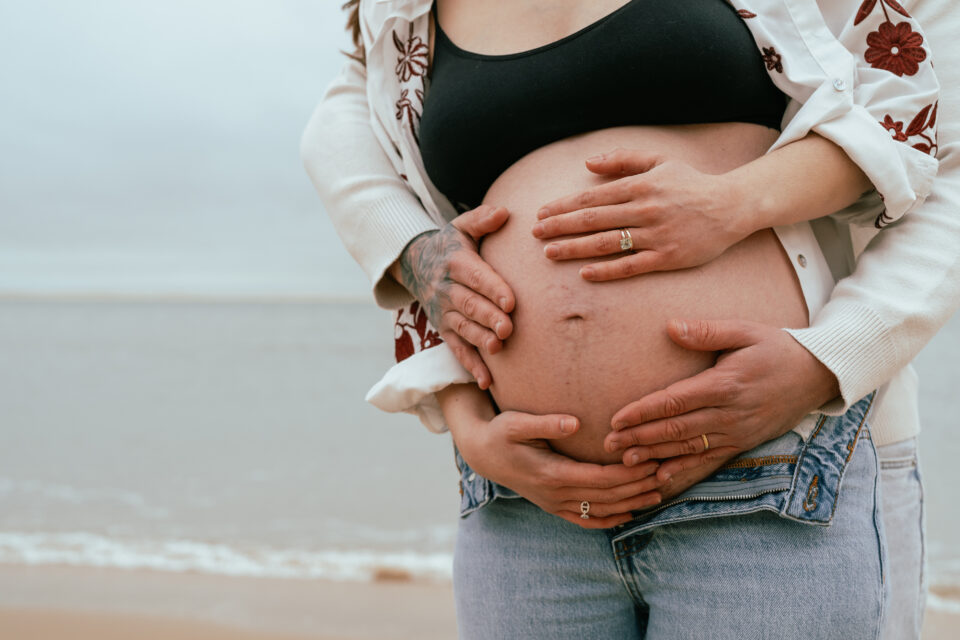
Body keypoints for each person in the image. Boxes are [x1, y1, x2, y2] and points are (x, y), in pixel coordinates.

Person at [302, 1, 957, 637]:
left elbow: (943, 151)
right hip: (526, 502)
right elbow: (349, 132)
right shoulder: (400, 14)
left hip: (773, 470)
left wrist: (825, 358)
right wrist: (420, 262)